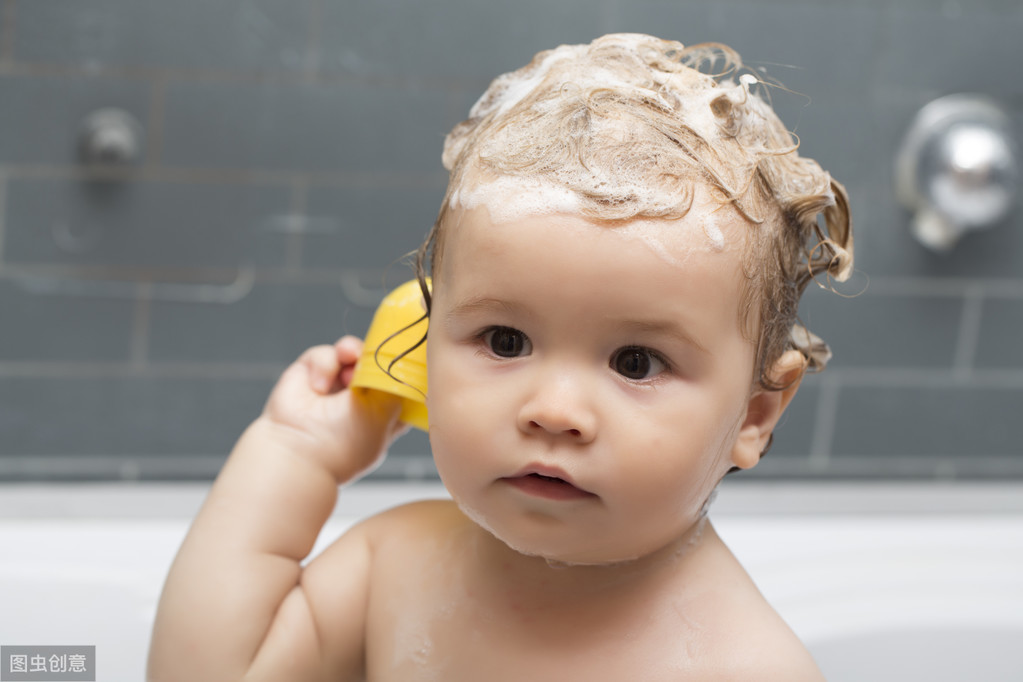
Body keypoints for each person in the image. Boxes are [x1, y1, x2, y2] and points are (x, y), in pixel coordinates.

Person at [148, 33, 852, 681]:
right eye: (505, 341)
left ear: (753, 415)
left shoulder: (741, 667)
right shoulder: (395, 568)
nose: (552, 411)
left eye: (634, 362)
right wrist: (298, 453)